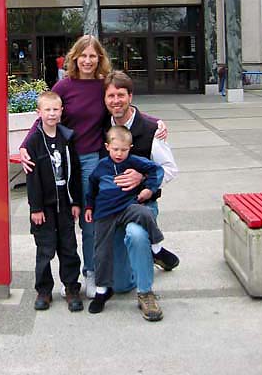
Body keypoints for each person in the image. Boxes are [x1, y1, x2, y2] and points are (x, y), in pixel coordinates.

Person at [20, 34, 168, 299]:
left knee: (90, 219)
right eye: (83, 56)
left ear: (99, 59)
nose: (87, 61)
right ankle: (66, 278)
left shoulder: (102, 85)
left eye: (93, 56)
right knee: (63, 217)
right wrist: (25, 145)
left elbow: (121, 106)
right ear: (74, 58)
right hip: (64, 158)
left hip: (92, 160)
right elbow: (45, 115)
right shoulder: (64, 86)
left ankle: (91, 270)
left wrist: (156, 122)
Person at [85, 126, 164, 320]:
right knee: (101, 250)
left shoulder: (134, 161)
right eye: (115, 149)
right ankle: (102, 290)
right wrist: (89, 207)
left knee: (144, 213)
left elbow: (157, 169)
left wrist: (149, 188)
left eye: (124, 150)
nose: (119, 154)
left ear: (130, 148)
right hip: (105, 214)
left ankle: (157, 248)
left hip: (127, 207)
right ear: (107, 147)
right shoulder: (101, 166)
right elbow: (91, 188)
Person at [103, 70, 180, 271]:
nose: (116, 101)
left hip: (143, 204)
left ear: (130, 96)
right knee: (118, 278)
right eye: (111, 96)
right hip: (112, 205)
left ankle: (150, 251)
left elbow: (169, 169)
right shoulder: (101, 127)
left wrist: (144, 179)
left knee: (135, 236)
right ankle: (155, 250)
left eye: (121, 95)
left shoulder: (152, 129)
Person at [25, 91, 83, 312]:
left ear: (61, 111)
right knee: (45, 249)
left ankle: (71, 288)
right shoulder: (34, 141)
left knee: (68, 248)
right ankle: (44, 290)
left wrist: (76, 201)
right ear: (38, 113)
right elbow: (32, 177)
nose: (51, 113)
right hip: (44, 207)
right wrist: (36, 207)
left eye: (55, 109)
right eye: (47, 110)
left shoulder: (67, 138)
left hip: (65, 204)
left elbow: (75, 171)